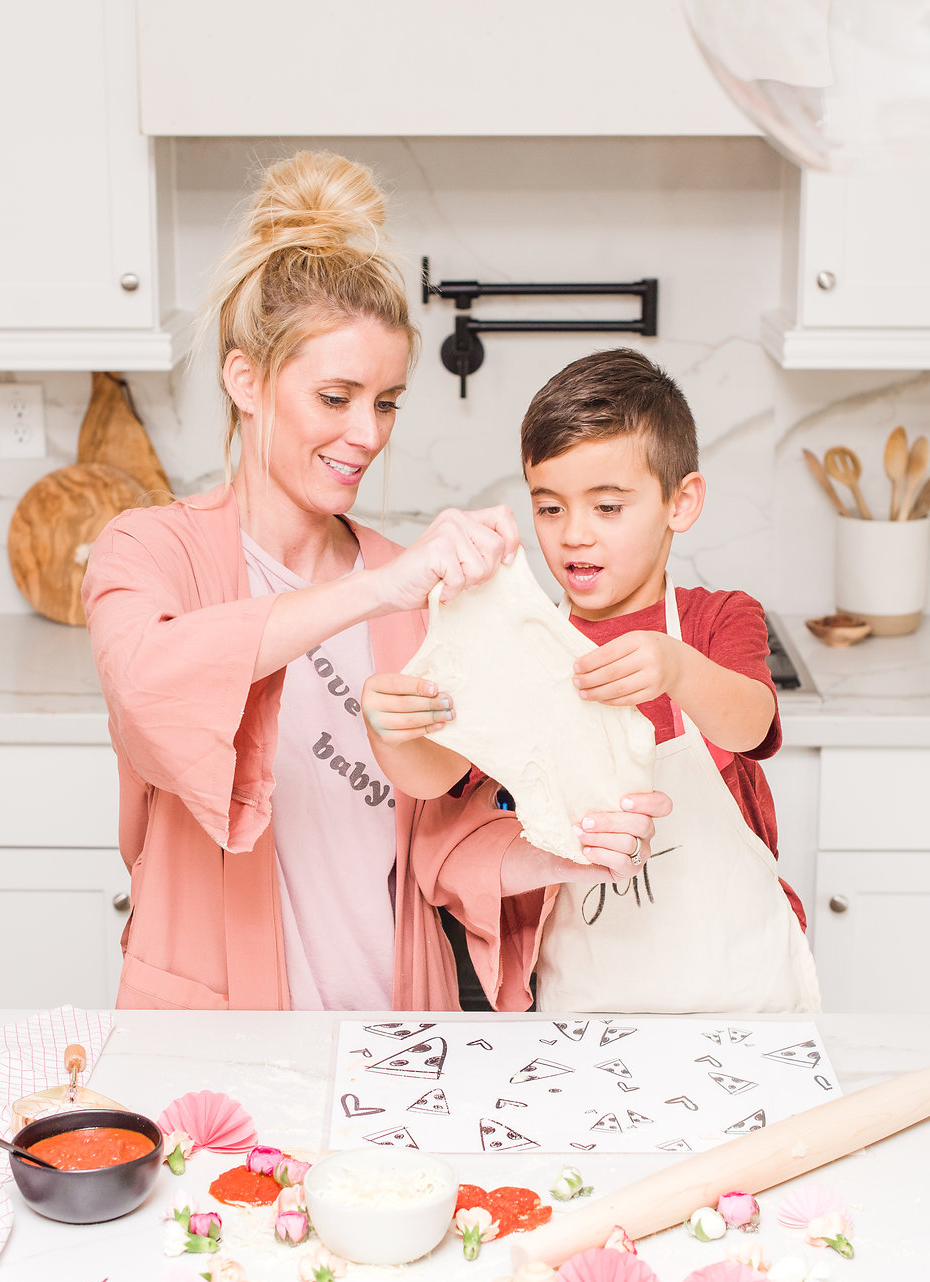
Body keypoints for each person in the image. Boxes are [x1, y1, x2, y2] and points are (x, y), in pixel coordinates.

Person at [82, 153, 667, 1013]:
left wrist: (565, 851)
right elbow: (148, 687)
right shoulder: (149, 550)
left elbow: (441, 838)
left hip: (391, 1031)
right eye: (336, 397)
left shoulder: (411, 587)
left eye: (386, 401)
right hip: (215, 1029)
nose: (367, 433)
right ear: (246, 380)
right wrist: (375, 591)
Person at [363, 347, 820, 1014]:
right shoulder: (522, 646)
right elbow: (438, 775)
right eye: (550, 509)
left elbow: (750, 723)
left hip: (745, 1000)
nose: (574, 535)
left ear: (681, 502)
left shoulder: (718, 618)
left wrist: (677, 666)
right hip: (587, 1011)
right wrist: (391, 731)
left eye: (607, 507)